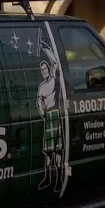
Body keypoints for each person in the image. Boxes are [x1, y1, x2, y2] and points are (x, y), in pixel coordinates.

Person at [36, 35, 65, 192]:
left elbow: (55, 62)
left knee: (58, 150)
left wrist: (45, 47)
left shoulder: (54, 80)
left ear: (48, 69)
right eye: (42, 70)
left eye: (45, 68)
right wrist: (41, 112)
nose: (44, 71)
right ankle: (47, 178)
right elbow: (39, 101)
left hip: (55, 114)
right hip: (47, 117)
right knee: (48, 152)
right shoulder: (41, 87)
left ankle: (59, 179)